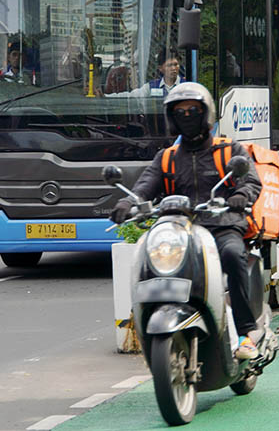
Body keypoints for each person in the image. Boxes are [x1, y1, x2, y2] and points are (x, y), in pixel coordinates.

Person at [109, 83, 263, 360]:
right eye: (180, 112)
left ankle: (246, 332)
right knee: (152, 260)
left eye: (193, 110)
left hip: (222, 225)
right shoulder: (166, 157)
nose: (187, 116)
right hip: (179, 230)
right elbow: (144, 187)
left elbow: (251, 179)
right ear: (171, 118)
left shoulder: (229, 151)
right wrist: (126, 203)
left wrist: (241, 194)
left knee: (232, 254)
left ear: (206, 114)